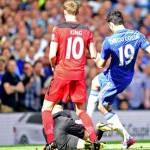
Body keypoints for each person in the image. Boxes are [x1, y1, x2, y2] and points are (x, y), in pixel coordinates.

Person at [87, 11, 150, 149]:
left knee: (102, 107)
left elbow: (100, 65)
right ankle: (87, 119)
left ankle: (126, 137)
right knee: (95, 82)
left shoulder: (109, 41)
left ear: (110, 24)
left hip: (115, 79)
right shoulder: (137, 35)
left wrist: (94, 56)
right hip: (125, 75)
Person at [41, 1, 98, 149]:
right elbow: (93, 54)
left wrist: (54, 65)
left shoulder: (58, 29)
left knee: (46, 109)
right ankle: (94, 139)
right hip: (78, 74)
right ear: (77, 12)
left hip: (62, 72)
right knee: (81, 111)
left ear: (65, 12)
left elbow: (52, 55)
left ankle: (51, 141)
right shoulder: (87, 30)